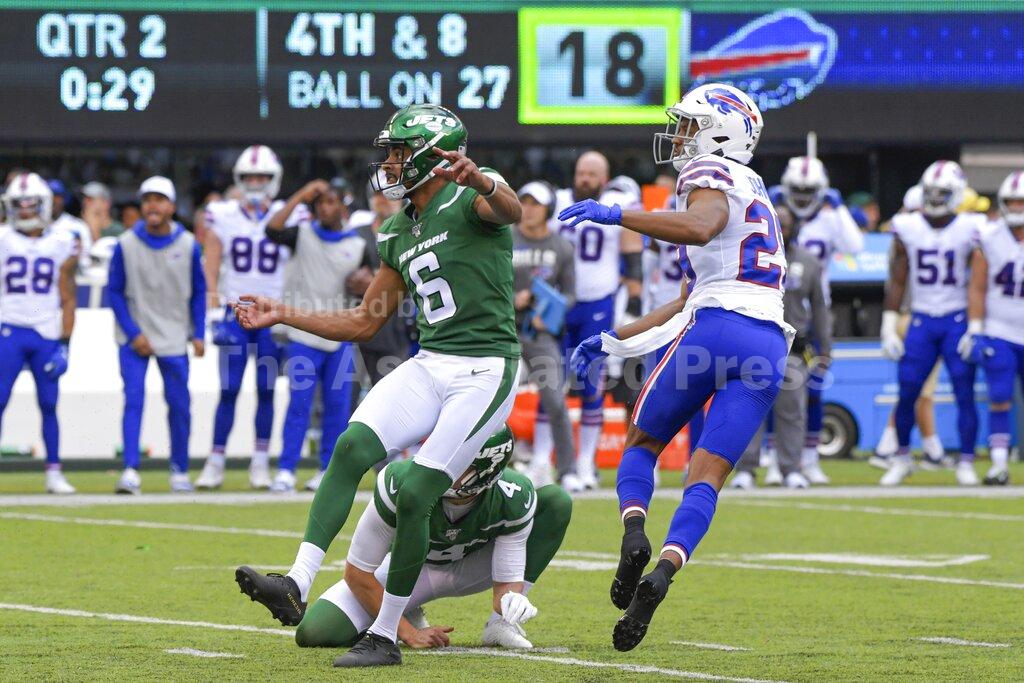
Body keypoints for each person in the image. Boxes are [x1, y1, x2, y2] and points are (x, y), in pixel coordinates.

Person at [231, 103, 522, 668]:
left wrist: (481, 179)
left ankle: (386, 634)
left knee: (415, 493)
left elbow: (508, 210)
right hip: (431, 361)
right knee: (351, 446)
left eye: (398, 152)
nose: (389, 163)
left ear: (432, 154)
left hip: (485, 368)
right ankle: (296, 581)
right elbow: (365, 320)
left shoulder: (473, 192)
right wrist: (283, 313)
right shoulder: (396, 229)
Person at [560, 83, 791, 650]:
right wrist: (615, 338)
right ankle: (663, 569)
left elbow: (700, 226)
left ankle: (634, 530)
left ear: (719, 133)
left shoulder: (711, 172)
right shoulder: (757, 191)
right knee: (706, 475)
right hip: (768, 344)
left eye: (690, 124)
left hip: (716, 329)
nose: (680, 135)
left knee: (642, 442)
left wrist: (618, 215)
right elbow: (685, 297)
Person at [279, 426, 572, 658]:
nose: (442, 463)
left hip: (474, 566)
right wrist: (407, 632)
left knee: (556, 502)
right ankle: (406, 607)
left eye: (458, 459)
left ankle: (500, 624)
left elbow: (505, 586)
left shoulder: (512, 494)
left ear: (486, 469)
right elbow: (357, 573)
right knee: (315, 631)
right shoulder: (399, 479)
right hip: (408, 570)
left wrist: (510, 601)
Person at [879, 161, 985, 486]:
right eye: (932, 192)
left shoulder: (972, 226)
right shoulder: (908, 226)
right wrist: (888, 324)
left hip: (957, 319)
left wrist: (976, 325)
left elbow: (980, 279)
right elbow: (898, 277)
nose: (936, 199)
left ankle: (966, 461)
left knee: (964, 392)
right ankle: (901, 457)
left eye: (942, 193)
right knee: (907, 391)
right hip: (921, 320)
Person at [195, 145, 293, 491]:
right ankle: (215, 461)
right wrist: (212, 312)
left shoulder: (287, 214)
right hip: (235, 311)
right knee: (229, 388)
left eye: (262, 176)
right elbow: (211, 265)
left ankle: (260, 462)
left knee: (266, 389)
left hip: (271, 314)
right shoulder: (222, 213)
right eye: (249, 177)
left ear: (274, 179)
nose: (255, 183)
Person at [264, 177, 369, 493]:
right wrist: (301, 194)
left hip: (340, 336)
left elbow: (372, 284)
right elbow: (272, 229)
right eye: (320, 202)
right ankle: (286, 469)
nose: (325, 208)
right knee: (299, 405)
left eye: (331, 202)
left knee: (338, 408)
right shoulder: (302, 234)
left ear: (343, 207)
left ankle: (327, 470)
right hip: (303, 336)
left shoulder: (358, 246)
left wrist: (365, 282)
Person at [107, 176, 206, 494]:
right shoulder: (125, 244)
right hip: (134, 337)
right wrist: (133, 333)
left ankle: (180, 470)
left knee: (179, 405)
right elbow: (114, 292)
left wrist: (199, 332)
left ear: (172, 207)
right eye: (147, 199)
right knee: (133, 401)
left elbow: (199, 291)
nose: (153, 205)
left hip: (174, 334)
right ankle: (130, 470)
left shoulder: (188, 244)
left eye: (160, 199)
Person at [551, 152, 644, 489]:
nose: (585, 178)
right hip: (560, 301)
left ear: (604, 178)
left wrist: (634, 296)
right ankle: (544, 461)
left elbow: (633, 255)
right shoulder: (556, 199)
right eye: (581, 172)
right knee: (551, 382)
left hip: (599, 301)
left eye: (592, 173)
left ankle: (586, 463)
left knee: (593, 383)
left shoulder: (619, 204)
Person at [773, 156, 863, 485]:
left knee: (811, 390)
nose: (802, 197)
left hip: (812, 311)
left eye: (808, 190)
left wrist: (839, 210)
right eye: (797, 190)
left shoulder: (829, 219)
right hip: (776, 307)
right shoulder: (775, 214)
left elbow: (855, 246)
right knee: (769, 391)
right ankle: (773, 458)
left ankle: (808, 458)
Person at [732, 202, 832, 489]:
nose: (782, 230)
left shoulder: (809, 262)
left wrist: (825, 348)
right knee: (750, 408)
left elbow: (820, 308)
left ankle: (791, 469)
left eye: (786, 225)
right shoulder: (748, 256)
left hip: (793, 347)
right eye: (778, 224)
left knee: (793, 411)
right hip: (755, 343)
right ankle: (746, 469)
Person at [0, 172, 79, 494]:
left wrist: (65, 344)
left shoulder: (63, 241)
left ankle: (54, 471)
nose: (24, 211)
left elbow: (68, 296)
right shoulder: (3, 238)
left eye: (30, 204)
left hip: (46, 331)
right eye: (19, 204)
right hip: (8, 328)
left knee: (49, 403)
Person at [512, 181, 579, 491]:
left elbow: (571, 294)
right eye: (524, 202)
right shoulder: (505, 239)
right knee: (490, 400)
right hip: (503, 330)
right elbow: (487, 283)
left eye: (535, 204)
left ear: (548, 209)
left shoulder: (561, 247)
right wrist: (511, 300)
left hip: (539, 333)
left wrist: (551, 312)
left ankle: (568, 470)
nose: (528, 209)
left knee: (554, 399)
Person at [962, 170, 1024, 486]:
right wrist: (975, 328)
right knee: (999, 395)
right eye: (1012, 202)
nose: (1016, 208)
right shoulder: (988, 235)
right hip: (1000, 330)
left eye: (1021, 202)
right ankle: (999, 464)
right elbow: (977, 285)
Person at [346, 186, 411, 385]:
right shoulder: (355, 234)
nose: (384, 199)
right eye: (379, 194)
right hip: (355, 327)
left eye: (391, 194)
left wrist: (374, 280)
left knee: (391, 394)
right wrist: (352, 278)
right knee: (346, 392)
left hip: (397, 328)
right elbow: (337, 272)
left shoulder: (412, 232)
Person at [47, 179, 92, 272]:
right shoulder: (33, 227)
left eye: (57, 196)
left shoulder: (77, 226)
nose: (53, 200)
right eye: (48, 196)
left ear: (64, 199)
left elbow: (85, 260)